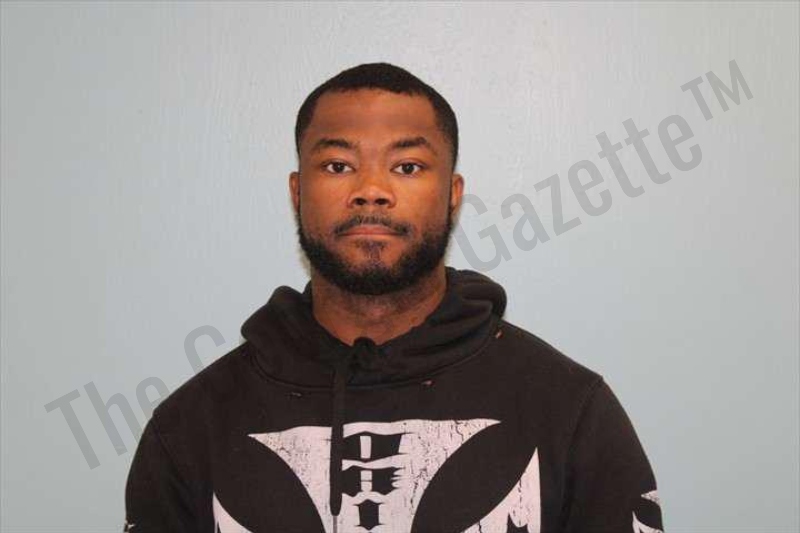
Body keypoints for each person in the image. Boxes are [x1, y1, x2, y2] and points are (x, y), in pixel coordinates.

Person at [124, 63, 664, 533]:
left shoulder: (569, 412)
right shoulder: (191, 427)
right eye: (338, 166)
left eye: (407, 167)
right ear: (297, 192)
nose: (371, 191)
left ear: (452, 195)